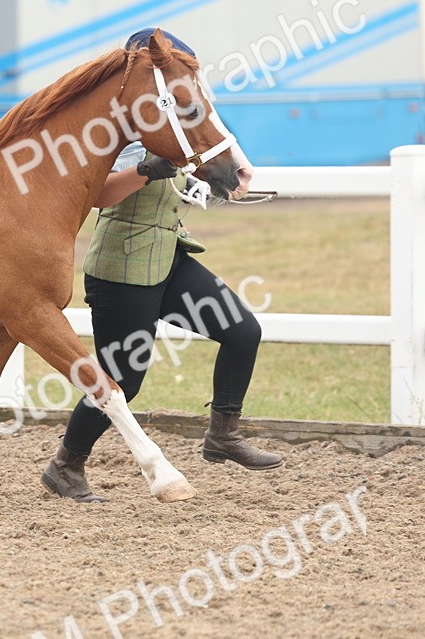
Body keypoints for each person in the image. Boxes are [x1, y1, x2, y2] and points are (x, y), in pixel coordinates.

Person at [41, 28, 281, 504]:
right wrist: (148, 169)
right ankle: (66, 465)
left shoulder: (174, 122)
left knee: (242, 332)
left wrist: (223, 176)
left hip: (168, 258)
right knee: (122, 376)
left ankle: (222, 435)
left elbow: (201, 157)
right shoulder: (130, 130)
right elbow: (99, 195)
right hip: (121, 267)